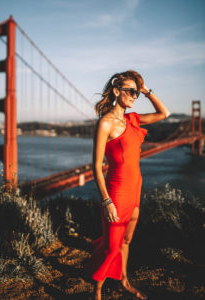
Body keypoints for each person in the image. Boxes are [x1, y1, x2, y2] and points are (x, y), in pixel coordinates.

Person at [84, 70, 170, 300]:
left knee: (127, 240)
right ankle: (97, 291)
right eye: (130, 91)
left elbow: (165, 113)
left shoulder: (133, 119)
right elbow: (95, 167)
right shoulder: (105, 124)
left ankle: (123, 281)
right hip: (116, 193)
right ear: (116, 91)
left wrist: (146, 91)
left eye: (136, 92)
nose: (134, 96)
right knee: (112, 248)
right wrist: (106, 201)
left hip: (135, 191)